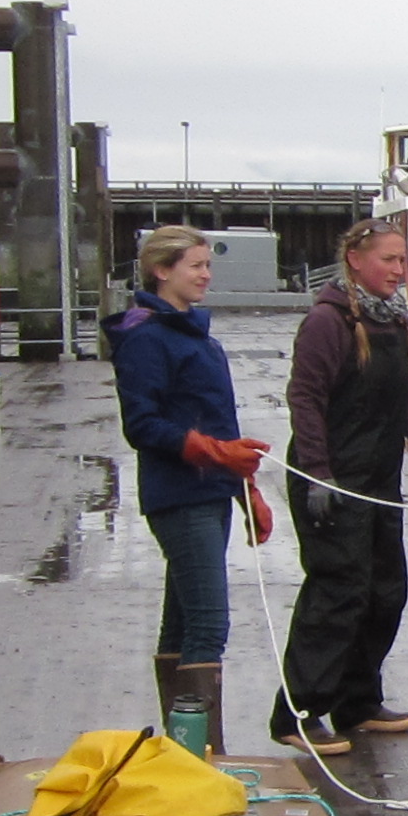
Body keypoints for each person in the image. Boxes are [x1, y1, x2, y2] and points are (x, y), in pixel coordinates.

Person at [275, 217, 408, 752]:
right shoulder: (327, 321)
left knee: (386, 592)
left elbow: (406, 401)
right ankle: (300, 712)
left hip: (380, 482)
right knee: (338, 594)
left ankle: (357, 701)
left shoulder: (394, 322)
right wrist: (317, 475)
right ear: (356, 260)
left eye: (403, 261)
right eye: (389, 260)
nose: (399, 271)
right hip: (333, 483)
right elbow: (306, 400)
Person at [109, 227, 274, 752]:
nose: (206, 275)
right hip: (180, 497)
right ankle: (205, 753)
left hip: (210, 492)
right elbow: (142, 425)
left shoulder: (196, 336)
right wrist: (210, 451)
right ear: (162, 270)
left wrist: (245, 487)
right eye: (195, 265)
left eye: (207, 265)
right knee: (208, 622)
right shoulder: (146, 337)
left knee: (181, 621)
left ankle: (185, 746)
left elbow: (220, 421)